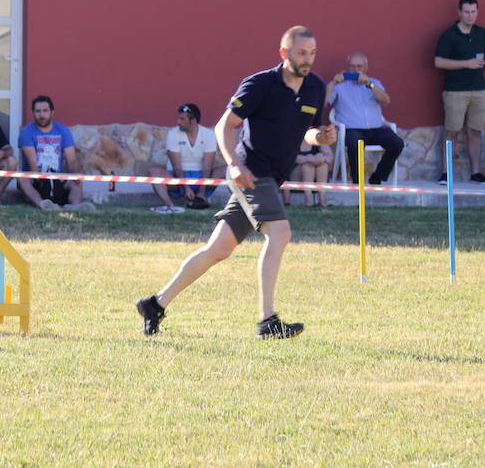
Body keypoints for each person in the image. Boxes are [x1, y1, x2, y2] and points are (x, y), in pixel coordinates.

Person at [136, 25, 336, 340]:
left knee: (219, 249)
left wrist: (320, 135)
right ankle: (268, 320)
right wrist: (233, 164)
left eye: (312, 52)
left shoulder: (315, 88)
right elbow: (223, 126)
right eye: (301, 53)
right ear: (284, 54)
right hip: (251, 171)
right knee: (280, 234)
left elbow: (307, 132)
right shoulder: (259, 85)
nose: (308, 59)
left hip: (272, 176)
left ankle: (155, 303)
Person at [434, 0, 485, 185]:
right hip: (455, 90)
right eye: (466, 12)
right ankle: (446, 173)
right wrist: (467, 64)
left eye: (473, 12)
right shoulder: (449, 35)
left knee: (475, 131)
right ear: (459, 13)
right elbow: (438, 62)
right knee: (452, 131)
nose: (470, 15)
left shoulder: (481, 33)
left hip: (479, 90)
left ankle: (475, 173)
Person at [326, 52, 403, 185]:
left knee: (397, 143)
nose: (356, 70)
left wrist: (370, 85)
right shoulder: (339, 86)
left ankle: (377, 177)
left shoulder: (374, 83)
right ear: (347, 67)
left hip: (376, 129)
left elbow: (386, 100)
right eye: (352, 66)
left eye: (359, 66)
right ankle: (357, 181)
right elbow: (324, 103)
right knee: (355, 142)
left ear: (366, 68)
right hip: (352, 129)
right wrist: (333, 83)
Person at [17, 95, 95, 212]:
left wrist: (75, 174)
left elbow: (72, 160)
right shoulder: (26, 132)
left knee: (76, 181)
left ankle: (74, 207)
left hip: (57, 177)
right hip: (36, 179)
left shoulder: (63, 130)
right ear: (33, 113)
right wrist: (44, 183)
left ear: (52, 112)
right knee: (22, 179)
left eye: (45, 111)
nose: (42, 115)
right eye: (38, 111)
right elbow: (32, 163)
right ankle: (42, 204)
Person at [148, 104, 225, 214]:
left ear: (193, 121)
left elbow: (208, 166)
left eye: (182, 119)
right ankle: (170, 206)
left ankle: (236, 205)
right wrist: (186, 187)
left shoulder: (208, 134)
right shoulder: (173, 134)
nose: (178, 122)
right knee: (154, 172)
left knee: (229, 170)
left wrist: (201, 192)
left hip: (201, 177)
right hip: (177, 178)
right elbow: (177, 166)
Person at [281, 140, 333, 207]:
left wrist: (321, 158)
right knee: (307, 165)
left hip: (315, 177)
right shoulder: (293, 138)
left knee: (323, 165)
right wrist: (310, 158)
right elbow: (289, 158)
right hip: (296, 178)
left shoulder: (316, 137)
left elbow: (329, 157)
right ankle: (309, 200)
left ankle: (322, 199)